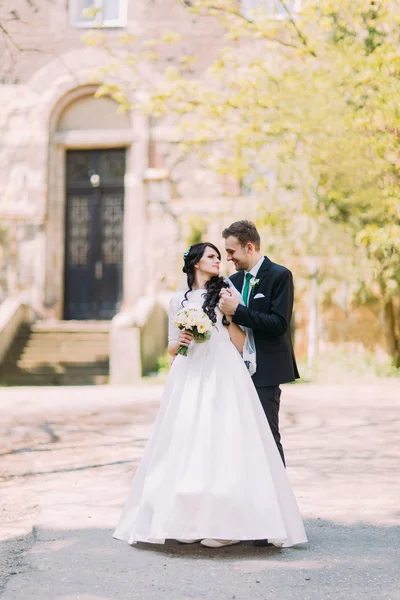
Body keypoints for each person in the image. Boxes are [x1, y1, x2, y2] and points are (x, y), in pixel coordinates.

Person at [113, 242, 306, 549]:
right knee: (188, 442)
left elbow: (239, 340)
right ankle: (183, 520)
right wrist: (186, 338)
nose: (218, 261)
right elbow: (172, 348)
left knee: (224, 441)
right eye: (212, 257)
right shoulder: (178, 299)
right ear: (195, 263)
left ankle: (227, 527)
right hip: (190, 372)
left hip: (223, 368)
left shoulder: (227, 291)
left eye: (220, 256)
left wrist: (231, 316)